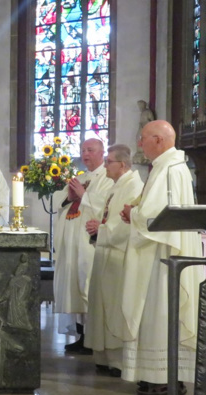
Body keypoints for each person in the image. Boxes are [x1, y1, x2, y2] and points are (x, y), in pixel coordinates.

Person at [119, 120, 203, 395]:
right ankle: (164, 374)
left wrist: (132, 214)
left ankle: (163, 376)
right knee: (161, 313)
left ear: (158, 139)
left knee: (161, 311)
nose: (139, 144)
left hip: (163, 255)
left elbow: (154, 218)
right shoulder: (171, 167)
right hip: (164, 250)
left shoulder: (168, 169)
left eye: (143, 139)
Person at [83, 144, 143, 377]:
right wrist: (98, 227)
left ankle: (117, 360)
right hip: (106, 251)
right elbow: (107, 215)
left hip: (119, 254)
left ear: (123, 165)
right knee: (102, 303)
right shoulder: (117, 185)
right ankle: (104, 356)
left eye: (109, 162)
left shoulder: (133, 186)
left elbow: (125, 223)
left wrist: (103, 229)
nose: (105, 165)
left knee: (115, 305)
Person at [53, 138, 113, 354]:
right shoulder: (81, 177)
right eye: (83, 150)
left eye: (90, 150)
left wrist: (83, 195)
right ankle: (82, 335)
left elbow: (107, 206)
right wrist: (69, 198)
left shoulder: (108, 177)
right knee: (74, 287)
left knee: (87, 285)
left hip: (88, 241)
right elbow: (61, 204)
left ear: (102, 153)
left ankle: (94, 337)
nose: (85, 154)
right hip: (72, 242)